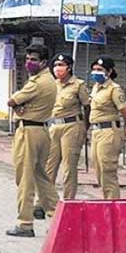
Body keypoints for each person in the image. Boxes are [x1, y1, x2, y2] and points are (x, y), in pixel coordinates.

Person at [5, 44, 58, 237]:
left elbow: (12, 101)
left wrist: (18, 107)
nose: (29, 63)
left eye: (33, 60)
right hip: (42, 130)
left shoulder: (37, 83)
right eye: (27, 59)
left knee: (25, 178)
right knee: (41, 177)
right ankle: (57, 215)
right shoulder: (49, 80)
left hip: (29, 131)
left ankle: (25, 223)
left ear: (43, 62)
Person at [43, 54, 90, 204]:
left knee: (69, 166)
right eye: (56, 65)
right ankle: (46, 200)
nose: (58, 68)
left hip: (72, 126)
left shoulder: (78, 85)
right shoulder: (52, 84)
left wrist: (84, 127)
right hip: (54, 126)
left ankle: (69, 201)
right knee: (50, 164)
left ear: (69, 67)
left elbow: (87, 107)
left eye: (61, 65)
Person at [88, 56, 126, 199]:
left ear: (109, 71)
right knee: (98, 170)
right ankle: (106, 201)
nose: (96, 72)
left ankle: (113, 206)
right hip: (96, 132)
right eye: (94, 69)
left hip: (109, 132)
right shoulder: (96, 87)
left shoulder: (114, 89)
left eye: (100, 70)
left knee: (107, 171)